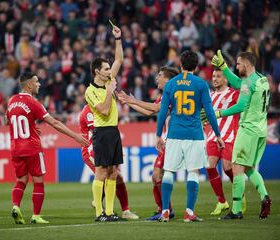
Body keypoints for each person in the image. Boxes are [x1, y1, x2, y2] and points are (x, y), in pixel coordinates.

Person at [6, 72, 89, 224]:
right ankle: (36, 216)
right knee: (38, 181)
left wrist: (31, 125)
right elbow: (55, 123)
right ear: (29, 84)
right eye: (36, 82)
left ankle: (16, 206)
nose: (39, 84)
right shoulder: (33, 102)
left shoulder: (11, 101)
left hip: (15, 147)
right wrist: (75, 136)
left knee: (21, 180)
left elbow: (9, 120)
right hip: (32, 148)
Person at [155, 50, 225, 222]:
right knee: (193, 171)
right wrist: (217, 134)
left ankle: (165, 212)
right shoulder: (201, 84)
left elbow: (163, 111)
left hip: (174, 133)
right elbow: (209, 111)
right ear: (196, 66)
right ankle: (189, 213)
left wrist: (158, 135)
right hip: (194, 134)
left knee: (169, 170)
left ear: (180, 64)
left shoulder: (171, 84)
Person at [210, 50, 272, 219]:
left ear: (246, 64)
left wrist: (218, 113)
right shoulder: (262, 79)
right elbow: (239, 83)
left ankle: (236, 210)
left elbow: (241, 106)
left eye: (238, 64)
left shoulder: (248, 82)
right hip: (261, 129)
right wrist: (224, 67)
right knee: (249, 167)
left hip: (248, 129)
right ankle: (265, 196)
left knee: (237, 167)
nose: (236, 67)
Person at [117, 66, 179, 220]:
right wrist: (128, 102)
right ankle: (164, 208)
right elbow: (149, 111)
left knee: (158, 174)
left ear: (168, 79)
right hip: (169, 140)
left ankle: (166, 209)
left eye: (160, 75)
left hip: (175, 140)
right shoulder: (165, 94)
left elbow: (156, 108)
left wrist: (133, 100)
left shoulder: (173, 93)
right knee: (156, 176)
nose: (157, 78)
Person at [84, 23, 123, 222]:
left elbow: (119, 59)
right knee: (101, 172)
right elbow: (105, 110)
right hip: (101, 132)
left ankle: (109, 212)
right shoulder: (90, 91)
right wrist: (109, 93)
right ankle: (98, 213)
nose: (110, 71)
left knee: (114, 172)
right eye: (106, 69)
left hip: (114, 131)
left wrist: (118, 38)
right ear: (97, 72)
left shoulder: (108, 80)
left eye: (109, 69)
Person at [79, 104, 139, 220]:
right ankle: (102, 210)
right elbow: (98, 132)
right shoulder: (88, 110)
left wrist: (114, 149)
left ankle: (121, 210)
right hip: (91, 150)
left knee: (116, 177)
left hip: (103, 146)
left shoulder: (103, 106)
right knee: (105, 176)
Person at [203, 69, 243, 216]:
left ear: (226, 79)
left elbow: (243, 108)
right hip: (213, 136)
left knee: (227, 168)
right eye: (213, 76)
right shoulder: (209, 96)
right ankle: (222, 201)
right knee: (209, 166)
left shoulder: (235, 94)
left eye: (218, 76)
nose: (214, 79)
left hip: (229, 136)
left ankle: (240, 196)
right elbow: (206, 114)